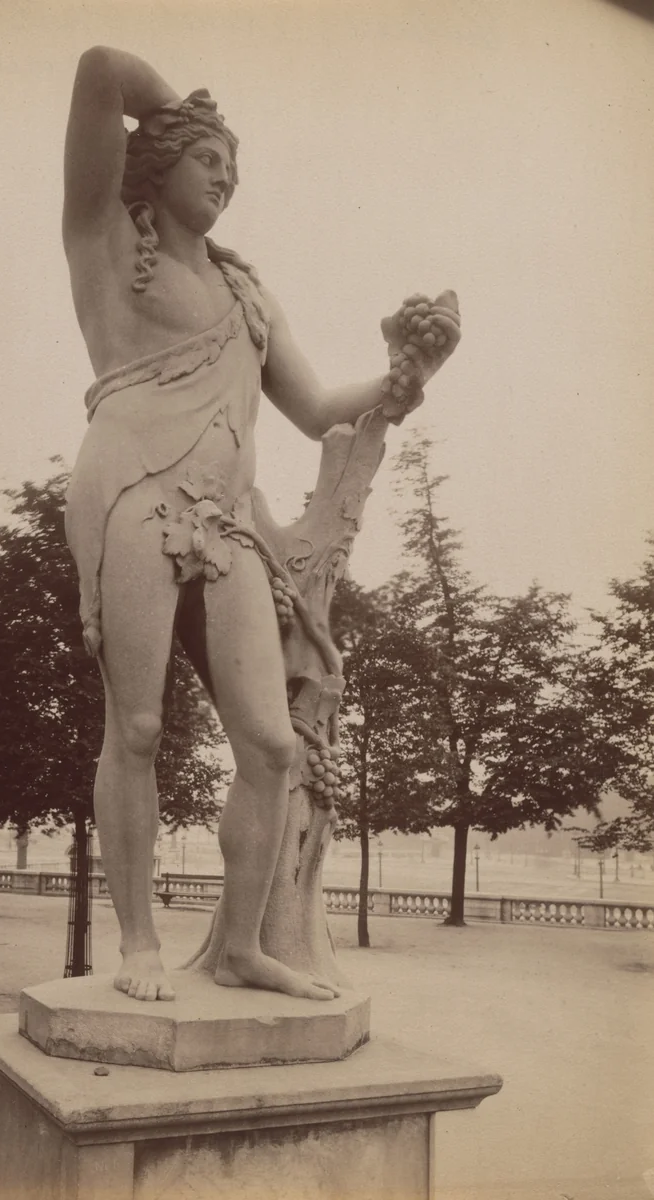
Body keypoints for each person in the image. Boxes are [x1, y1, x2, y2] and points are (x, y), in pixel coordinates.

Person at [62, 46, 460, 1003]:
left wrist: (404, 377)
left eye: (235, 166)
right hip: (132, 495)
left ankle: (240, 946)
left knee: (274, 747)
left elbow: (322, 404)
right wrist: (188, 111)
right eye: (211, 160)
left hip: (228, 522)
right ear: (161, 162)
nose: (228, 177)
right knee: (142, 723)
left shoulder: (247, 294)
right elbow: (100, 71)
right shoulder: (107, 238)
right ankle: (139, 947)